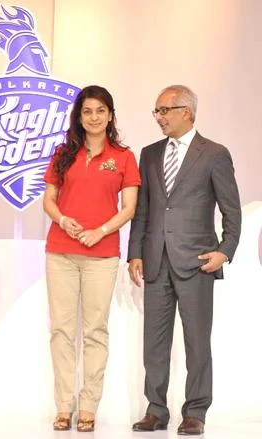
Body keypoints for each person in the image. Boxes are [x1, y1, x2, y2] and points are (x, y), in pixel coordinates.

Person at [128, 85, 241, 435]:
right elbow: (143, 209)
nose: (159, 117)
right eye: (156, 111)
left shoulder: (215, 154)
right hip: (156, 261)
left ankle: (196, 411)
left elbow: (232, 210)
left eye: (164, 110)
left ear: (186, 112)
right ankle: (155, 410)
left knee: (197, 341)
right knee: (154, 342)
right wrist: (135, 252)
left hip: (197, 262)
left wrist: (225, 251)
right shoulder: (149, 154)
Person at [43, 85, 140, 432]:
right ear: (79, 116)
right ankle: (63, 406)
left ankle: (88, 406)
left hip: (101, 254)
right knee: (61, 330)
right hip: (60, 252)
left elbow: (129, 208)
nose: (94, 117)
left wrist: (100, 231)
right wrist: (61, 219)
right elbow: (49, 200)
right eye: (87, 111)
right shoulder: (63, 153)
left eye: (101, 110)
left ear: (110, 115)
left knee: (95, 330)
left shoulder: (124, 157)